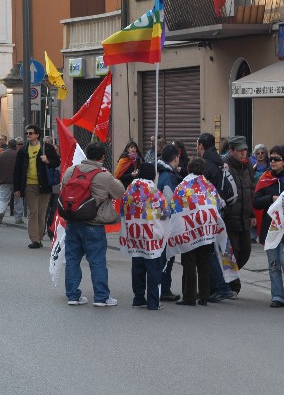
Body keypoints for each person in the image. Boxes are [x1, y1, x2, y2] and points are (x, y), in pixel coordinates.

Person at [62, 142, 125, 306]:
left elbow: (63, 190)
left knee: (72, 260)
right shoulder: (104, 176)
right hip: (94, 225)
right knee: (97, 261)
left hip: (73, 222)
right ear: (103, 156)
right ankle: (101, 297)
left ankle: (73, 296)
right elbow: (120, 192)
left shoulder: (71, 171)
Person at [253, 145, 284, 308]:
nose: (272, 162)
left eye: (277, 159)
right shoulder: (265, 179)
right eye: (271, 158)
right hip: (270, 230)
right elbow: (256, 202)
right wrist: (271, 199)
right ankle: (277, 297)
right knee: (274, 264)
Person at [174, 157, 224, 307]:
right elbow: (219, 204)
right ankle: (204, 296)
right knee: (204, 261)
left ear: (188, 169)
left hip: (189, 228)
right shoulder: (209, 186)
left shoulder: (183, 186)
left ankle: (189, 296)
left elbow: (175, 206)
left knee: (189, 261)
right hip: (207, 229)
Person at [121, 163, 169, 310]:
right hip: (151, 235)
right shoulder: (154, 192)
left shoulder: (129, 190)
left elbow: (122, 210)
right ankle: (153, 302)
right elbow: (166, 213)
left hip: (135, 234)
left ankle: (138, 298)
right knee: (153, 269)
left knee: (137, 267)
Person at [196, 133, 234, 302]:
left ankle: (221, 287)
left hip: (209, 212)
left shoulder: (206, 165)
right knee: (221, 248)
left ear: (201, 146)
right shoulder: (220, 161)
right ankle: (224, 285)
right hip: (221, 210)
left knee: (210, 251)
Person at [13, 124, 60, 249]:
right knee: (33, 212)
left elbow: (57, 162)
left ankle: (39, 237)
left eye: (31, 133)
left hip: (44, 185)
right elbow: (17, 171)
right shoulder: (23, 151)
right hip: (29, 185)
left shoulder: (47, 148)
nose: (28, 135)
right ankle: (35, 239)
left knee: (42, 212)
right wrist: (17, 188)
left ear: (37, 135)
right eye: (27, 133)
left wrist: (47, 161)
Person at [223, 136, 256, 298]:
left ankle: (228, 279)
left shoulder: (248, 165)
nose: (244, 154)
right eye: (240, 151)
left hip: (244, 217)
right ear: (231, 151)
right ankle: (232, 286)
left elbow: (250, 189)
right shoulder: (224, 166)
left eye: (245, 150)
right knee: (232, 252)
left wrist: (251, 213)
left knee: (245, 251)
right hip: (229, 218)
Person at [157, 144, 182, 302]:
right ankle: (163, 289)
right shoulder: (167, 176)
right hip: (165, 223)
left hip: (158, 222)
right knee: (166, 257)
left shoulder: (160, 171)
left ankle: (160, 287)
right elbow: (170, 201)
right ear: (175, 158)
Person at [0, 139, 18, 223]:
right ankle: (18, 218)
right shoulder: (18, 155)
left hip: (4, 180)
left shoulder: (2, 155)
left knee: (3, 199)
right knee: (18, 199)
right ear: (16, 146)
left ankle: (1, 211)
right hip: (16, 180)